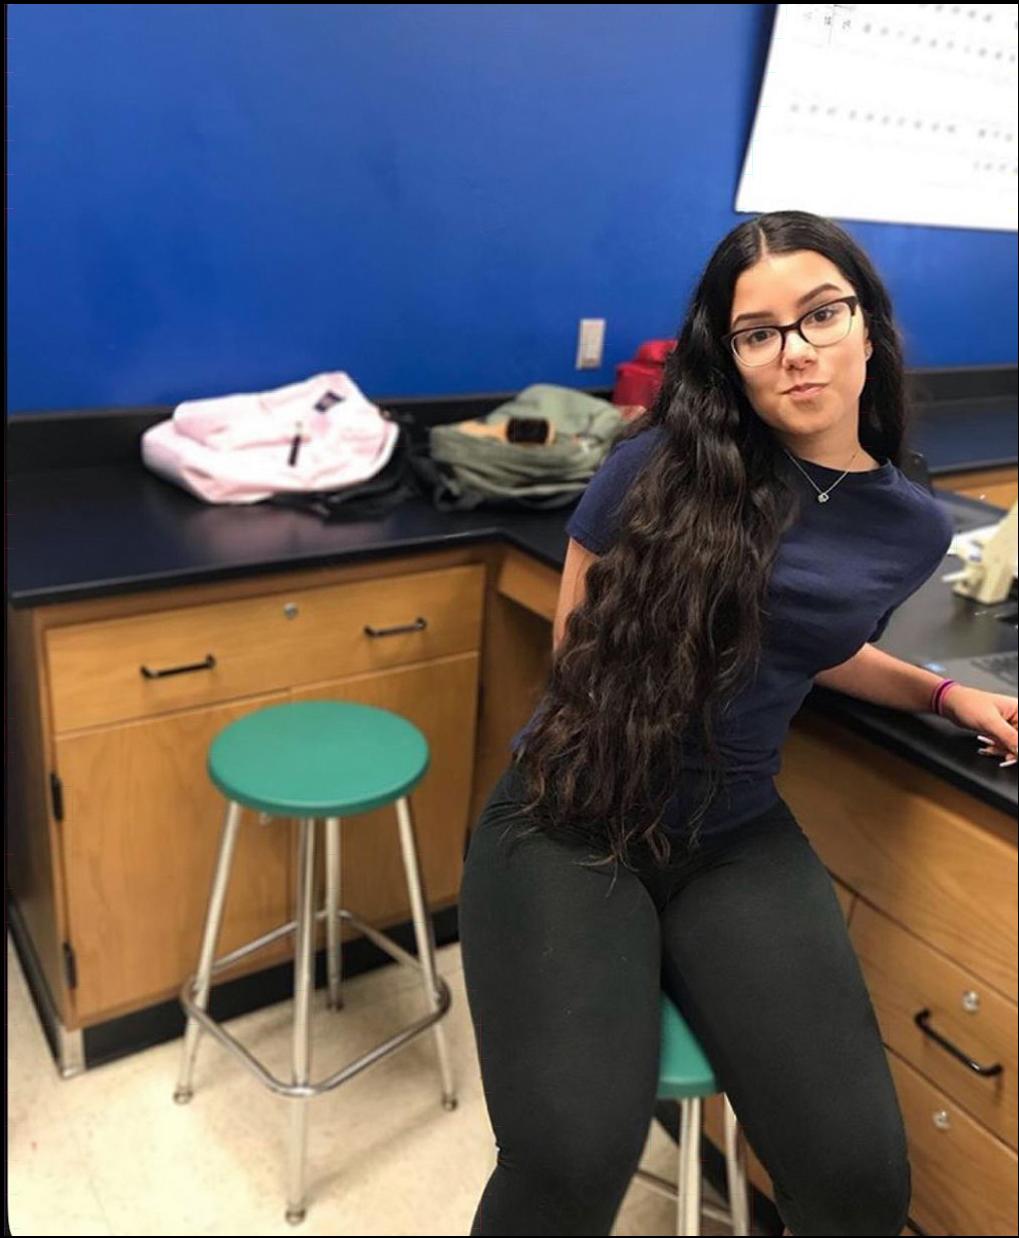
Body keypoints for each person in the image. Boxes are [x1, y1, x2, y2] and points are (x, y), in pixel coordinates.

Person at [458, 210, 1019, 1237]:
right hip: (567, 819)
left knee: (858, 1181)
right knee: (568, 1162)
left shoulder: (906, 526)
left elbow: (801, 641)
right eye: (756, 331)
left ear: (867, 328)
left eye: (819, 314)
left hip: (730, 834)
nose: (792, 349)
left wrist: (940, 691)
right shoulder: (657, 465)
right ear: (732, 355)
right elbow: (575, 658)